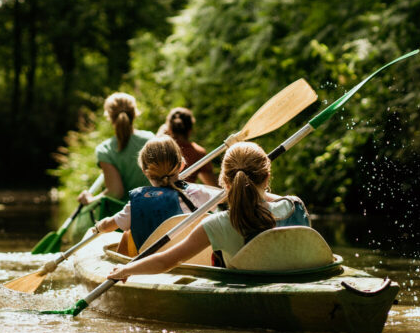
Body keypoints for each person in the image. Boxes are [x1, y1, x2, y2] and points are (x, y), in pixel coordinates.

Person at [107, 141, 310, 280]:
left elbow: (166, 261)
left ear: (224, 182)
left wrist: (126, 269)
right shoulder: (295, 205)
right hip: (300, 280)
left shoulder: (218, 224)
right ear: (267, 177)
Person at [93, 135, 214, 249]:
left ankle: (123, 267)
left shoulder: (137, 203)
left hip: (151, 261)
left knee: (127, 234)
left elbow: (109, 225)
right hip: (194, 258)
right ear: (181, 165)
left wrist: (99, 226)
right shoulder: (200, 193)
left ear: (145, 171)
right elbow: (225, 201)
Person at [79, 93, 155, 204]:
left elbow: (115, 192)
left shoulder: (105, 150)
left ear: (109, 116)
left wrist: (90, 200)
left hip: (125, 215)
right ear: (135, 113)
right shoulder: (151, 139)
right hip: (155, 207)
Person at [160, 107, 219, 187]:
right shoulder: (198, 152)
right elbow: (212, 184)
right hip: (188, 196)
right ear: (190, 130)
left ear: (169, 128)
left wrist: (160, 134)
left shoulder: (161, 149)